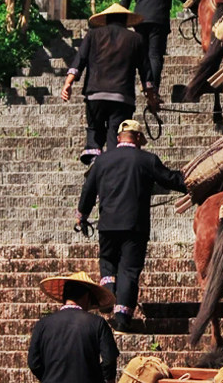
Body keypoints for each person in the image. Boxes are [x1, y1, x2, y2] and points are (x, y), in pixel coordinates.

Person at [76, 119, 188, 334]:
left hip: (107, 224)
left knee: (108, 261)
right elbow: (169, 179)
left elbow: (88, 191)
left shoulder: (102, 161)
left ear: (118, 138)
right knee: (128, 271)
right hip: (134, 227)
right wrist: (191, 181)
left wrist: (81, 215)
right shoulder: (147, 160)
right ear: (138, 138)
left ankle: (108, 291)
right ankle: (122, 318)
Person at [61, 3, 159, 165]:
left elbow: (80, 60)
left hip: (95, 95)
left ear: (106, 19)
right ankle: (112, 166)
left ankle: (94, 158)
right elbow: (145, 72)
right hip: (122, 97)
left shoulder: (93, 35)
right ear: (126, 20)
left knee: (95, 130)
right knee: (116, 134)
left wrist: (68, 83)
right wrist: (151, 98)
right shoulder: (136, 39)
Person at [28, 270, 119, 383]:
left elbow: (33, 362)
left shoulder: (43, 324)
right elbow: (109, 360)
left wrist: (50, 377)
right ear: (86, 297)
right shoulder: (98, 323)